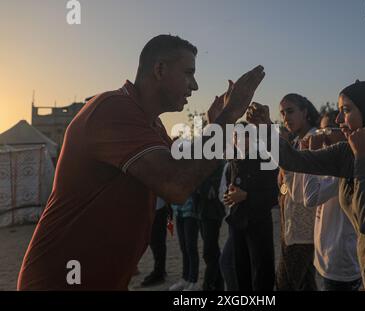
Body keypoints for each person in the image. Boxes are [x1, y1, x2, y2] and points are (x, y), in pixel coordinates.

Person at [17, 34, 265, 290]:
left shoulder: (151, 123)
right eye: (188, 73)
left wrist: (216, 126)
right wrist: (230, 113)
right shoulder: (112, 109)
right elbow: (176, 184)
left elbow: (186, 167)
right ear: (159, 69)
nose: (195, 86)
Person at [247, 80, 365, 290]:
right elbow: (293, 160)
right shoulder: (346, 152)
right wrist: (266, 129)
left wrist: (362, 158)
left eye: (346, 110)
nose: (338, 120)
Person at [302, 111, 361, 291]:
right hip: (325, 256)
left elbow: (310, 198)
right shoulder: (329, 165)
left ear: (343, 131)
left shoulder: (345, 169)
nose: (322, 136)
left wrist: (310, 154)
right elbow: (298, 194)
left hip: (340, 261)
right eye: (320, 131)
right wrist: (302, 157)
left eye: (327, 130)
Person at [223, 122, 279, 291]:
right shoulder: (233, 162)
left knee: (261, 274)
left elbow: (274, 195)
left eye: (244, 135)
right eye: (235, 135)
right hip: (237, 223)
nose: (239, 139)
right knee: (240, 273)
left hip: (258, 224)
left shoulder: (265, 159)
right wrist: (229, 196)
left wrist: (247, 196)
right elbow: (231, 189)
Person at [275, 94, 319, 291]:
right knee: (306, 285)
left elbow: (302, 191)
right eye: (283, 114)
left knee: (285, 285)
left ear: (305, 112)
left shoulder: (316, 140)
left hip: (305, 231)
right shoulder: (296, 142)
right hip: (292, 228)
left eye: (290, 111)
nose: (286, 118)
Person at [195, 163, 226, 291]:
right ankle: (218, 284)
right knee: (211, 250)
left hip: (212, 212)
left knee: (209, 251)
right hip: (203, 211)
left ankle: (208, 284)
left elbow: (210, 191)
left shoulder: (217, 163)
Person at [169, 196, 200, 291]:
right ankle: (185, 278)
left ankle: (193, 280)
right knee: (183, 247)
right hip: (178, 210)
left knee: (191, 247)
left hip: (191, 211)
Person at [218, 161, 239, 291]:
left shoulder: (257, 159)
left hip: (252, 222)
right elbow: (222, 193)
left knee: (226, 262)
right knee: (228, 263)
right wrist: (228, 196)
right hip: (233, 221)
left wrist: (245, 196)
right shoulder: (229, 166)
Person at [141, 197, 171, 287]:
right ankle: (159, 270)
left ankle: (159, 272)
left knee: (157, 242)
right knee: (155, 242)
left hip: (158, 208)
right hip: (156, 207)